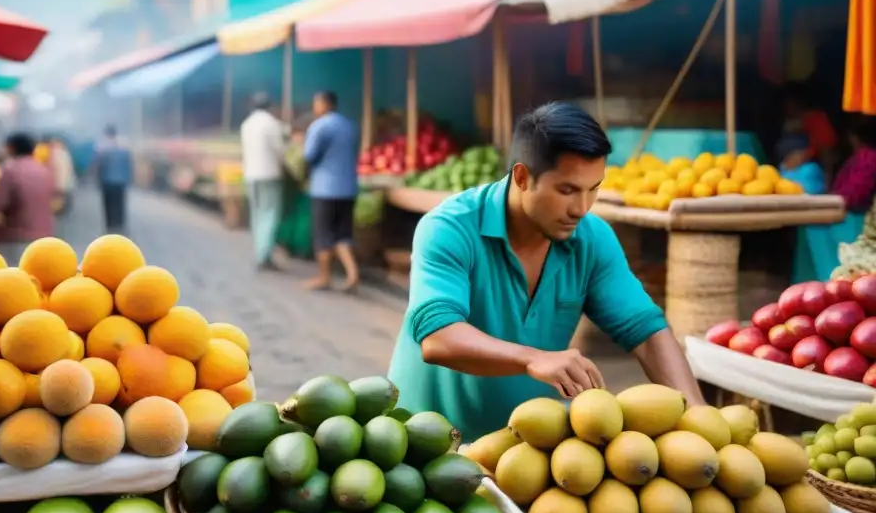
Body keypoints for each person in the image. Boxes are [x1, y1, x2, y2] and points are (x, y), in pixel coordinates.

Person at [388, 102, 706, 442]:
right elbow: (438, 338)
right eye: (567, 190)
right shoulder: (449, 227)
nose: (582, 209)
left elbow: (646, 332)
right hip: (421, 447)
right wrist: (532, 358)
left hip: (520, 450)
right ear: (523, 177)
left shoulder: (593, 239)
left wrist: (700, 418)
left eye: (593, 188)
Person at [302, 91, 360, 292]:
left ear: (324, 104)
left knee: (324, 234)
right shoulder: (349, 125)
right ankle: (352, 273)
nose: (314, 107)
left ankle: (324, 277)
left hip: (325, 188)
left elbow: (309, 155)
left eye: (316, 103)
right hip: (348, 188)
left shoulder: (319, 126)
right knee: (343, 233)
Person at [0, 132, 57, 266]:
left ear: (11, 148)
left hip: (15, 240)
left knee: (15, 282)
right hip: (44, 237)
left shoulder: (10, 170)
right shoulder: (45, 170)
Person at [240, 93, 287, 271]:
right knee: (270, 214)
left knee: (257, 214)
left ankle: (260, 252)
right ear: (269, 106)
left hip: (251, 174)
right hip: (269, 174)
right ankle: (264, 255)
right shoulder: (271, 123)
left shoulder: (247, 124)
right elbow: (280, 149)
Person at [777, 86, 837, 173]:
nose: (786, 107)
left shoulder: (814, 117)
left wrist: (805, 155)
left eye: (788, 103)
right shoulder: (790, 122)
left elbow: (827, 148)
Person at [830, 117, 876, 213]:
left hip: (856, 215)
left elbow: (855, 194)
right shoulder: (861, 157)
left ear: (854, 138)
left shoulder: (867, 158)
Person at [93, 125, 133, 233]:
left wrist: (97, 180)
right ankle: (119, 224)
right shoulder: (124, 148)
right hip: (120, 182)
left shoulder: (102, 148)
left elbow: (98, 166)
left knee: (107, 205)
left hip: (106, 182)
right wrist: (129, 179)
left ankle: (110, 226)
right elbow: (129, 165)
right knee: (120, 204)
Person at [49, 136, 76, 216]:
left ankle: (59, 210)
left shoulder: (52, 154)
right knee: (62, 196)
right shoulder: (65, 153)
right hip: (63, 180)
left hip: (58, 180)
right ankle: (62, 210)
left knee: (59, 197)